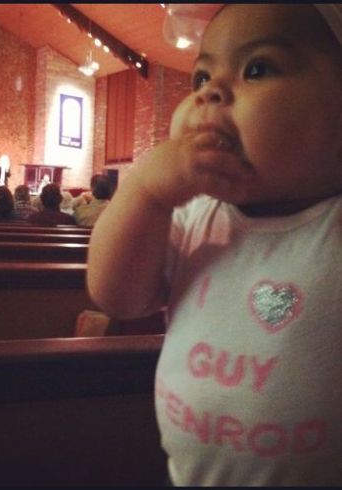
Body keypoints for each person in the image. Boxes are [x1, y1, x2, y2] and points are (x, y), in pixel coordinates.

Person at [87, 4, 342, 487]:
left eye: (257, 68)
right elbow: (118, 297)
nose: (210, 93)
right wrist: (145, 193)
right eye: (201, 77)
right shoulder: (194, 215)